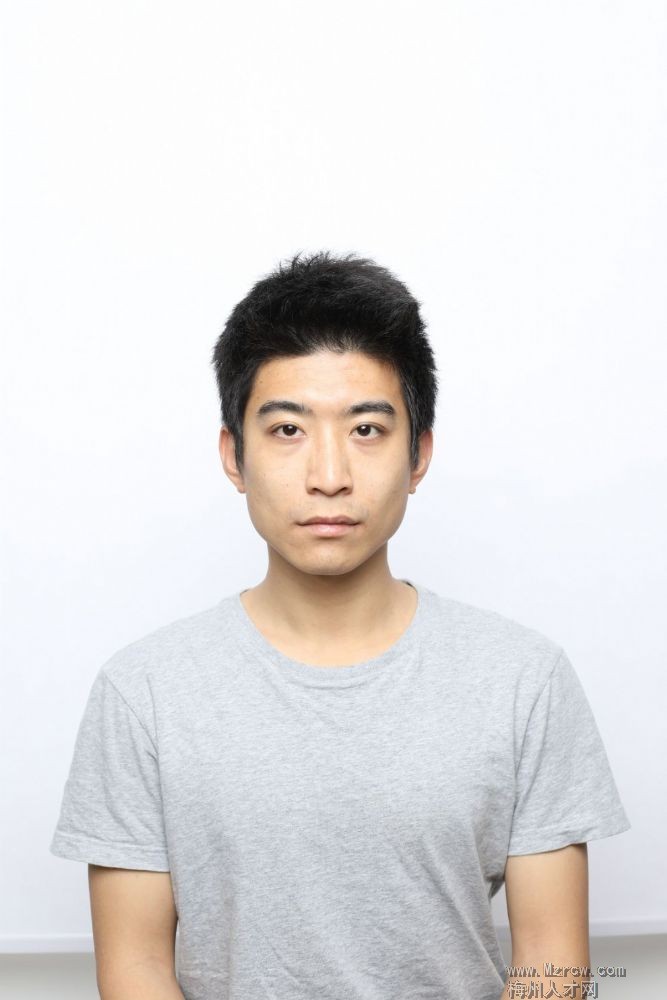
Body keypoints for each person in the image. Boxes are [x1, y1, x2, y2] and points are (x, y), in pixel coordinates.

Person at [50, 250, 631, 1000]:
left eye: (366, 429)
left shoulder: (523, 680)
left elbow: (553, 968)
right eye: (288, 429)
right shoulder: (143, 691)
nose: (329, 476)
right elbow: (135, 970)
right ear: (234, 455)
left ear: (418, 454)